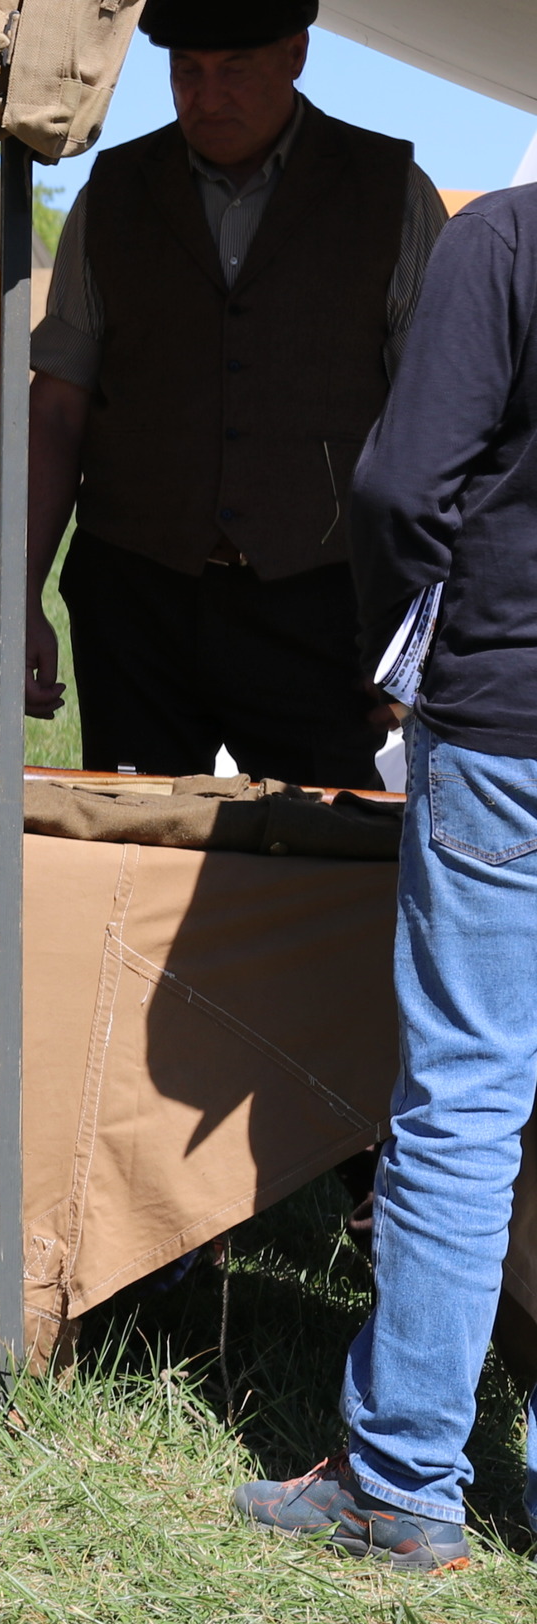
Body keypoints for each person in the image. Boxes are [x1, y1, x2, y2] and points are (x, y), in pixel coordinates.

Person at [233, 186, 537, 1575]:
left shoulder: (510, 236)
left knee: (465, 1100)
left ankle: (402, 1480)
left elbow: (401, 484)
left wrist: (399, 648)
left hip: (508, 717)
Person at [23, 0, 447, 787]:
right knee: (131, 855)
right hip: (136, 595)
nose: (206, 97)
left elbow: (433, 428)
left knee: (327, 867)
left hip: (322, 604)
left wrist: (418, 628)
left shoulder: (390, 193)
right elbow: (58, 408)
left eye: (235, 69)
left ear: (296, 55)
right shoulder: (111, 194)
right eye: (187, 71)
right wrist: (24, 591)